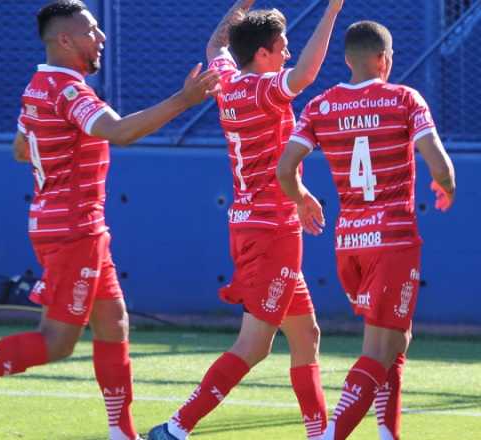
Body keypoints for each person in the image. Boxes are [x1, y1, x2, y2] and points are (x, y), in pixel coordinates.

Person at [0, 1, 220, 438]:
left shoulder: (37, 85)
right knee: (57, 341)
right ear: (64, 40)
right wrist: (185, 99)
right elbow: (119, 132)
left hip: (72, 224)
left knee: (114, 322)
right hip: (73, 228)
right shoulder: (67, 90)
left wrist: (60, 156)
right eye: (91, 31)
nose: (101, 37)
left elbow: (22, 148)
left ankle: (122, 432)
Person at [146, 1, 343, 439]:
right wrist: (331, 12)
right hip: (272, 230)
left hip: (259, 224)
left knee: (306, 335)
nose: (288, 54)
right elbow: (306, 75)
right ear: (263, 55)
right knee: (254, 346)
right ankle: (175, 429)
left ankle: (319, 434)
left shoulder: (230, 79)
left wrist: (243, 5)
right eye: (283, 47)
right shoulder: (261, 89)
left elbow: (217, 41)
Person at [276, 20, 456, 440]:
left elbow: (285, 169)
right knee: (379, 348)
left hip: (349, 244)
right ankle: (330, 434)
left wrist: (302, 199)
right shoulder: (405, 100)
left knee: (396, 339)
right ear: (384, 59)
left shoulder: (320, 106)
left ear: (346, 59)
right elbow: (441, 166)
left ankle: (387, 433)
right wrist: (446, 187)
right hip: (392, 240)